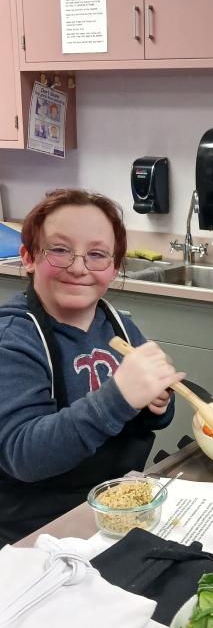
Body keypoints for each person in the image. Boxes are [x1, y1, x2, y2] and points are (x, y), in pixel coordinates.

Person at [0, 188, 185, 545]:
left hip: (115, 511)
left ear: (115, 268)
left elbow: (141, 415)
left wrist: (156, 403)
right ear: (28, 257)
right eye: (59, 250)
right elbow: (24, 455)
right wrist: (119, 396)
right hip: (40, 532)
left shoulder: (118, 324)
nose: (79, 267)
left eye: (97, 254)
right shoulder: (14, 338)